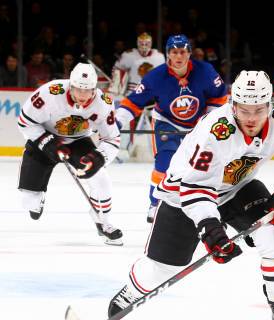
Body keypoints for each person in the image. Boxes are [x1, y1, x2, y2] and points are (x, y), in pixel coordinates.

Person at [107, 71, 274, 320]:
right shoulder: (215, 131)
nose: (251, 118)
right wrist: (209, 226)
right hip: (183, 194)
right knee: (162, 269)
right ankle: (133, 288)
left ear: (271, 105)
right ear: (232, 105)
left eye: (259, 109)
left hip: (237, 188)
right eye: (244, 109)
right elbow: (195, 188)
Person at [115, 34, 228, 223]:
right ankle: (155, 203)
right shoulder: (155, 77)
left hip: (198, 124)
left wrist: (208, 122)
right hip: (166, 122)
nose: (178, 57)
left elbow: (219, 98)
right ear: (168, 54)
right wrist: (117, 122)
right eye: (174, 52)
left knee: (203, 166)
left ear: (189, 53)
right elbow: (134, 102)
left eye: (182, 52)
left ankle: (208, 203)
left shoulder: (206, 71)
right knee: (164, 164)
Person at [16, 63, 123, 245]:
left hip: (78, 140)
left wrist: (98, 158)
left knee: (101, 179)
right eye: (78, 90)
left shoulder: (103, 104)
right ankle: (37, 198)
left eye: (87, 90)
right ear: (70, 85)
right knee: (29, 202)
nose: (82, 95)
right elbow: (25, 122)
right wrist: (47, 143)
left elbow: (112, 139)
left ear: (94, 89)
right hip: (44, 137)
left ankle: (103, 221)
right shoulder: (50, 93)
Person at [108, 33, 165, 98]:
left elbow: (163, 77)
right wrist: (117, 89)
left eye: (146, 44)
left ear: (151, 43)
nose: (144, 46)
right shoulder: (128, 55)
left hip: (152, 94)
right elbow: (116, 70)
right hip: (132, 93)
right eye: (142, 44)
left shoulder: (159, 57)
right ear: (137, 43)